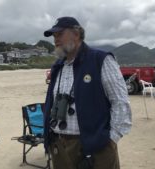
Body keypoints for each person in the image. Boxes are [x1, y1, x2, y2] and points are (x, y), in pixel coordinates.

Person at [43, 17, 132, 169]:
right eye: (54, 36)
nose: (55, 40)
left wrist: (110, 141)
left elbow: (120, 102)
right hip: (58, 144)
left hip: (96, 147)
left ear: (76, 34)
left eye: (60, 34)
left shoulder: (101, 59)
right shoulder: (58, 66)